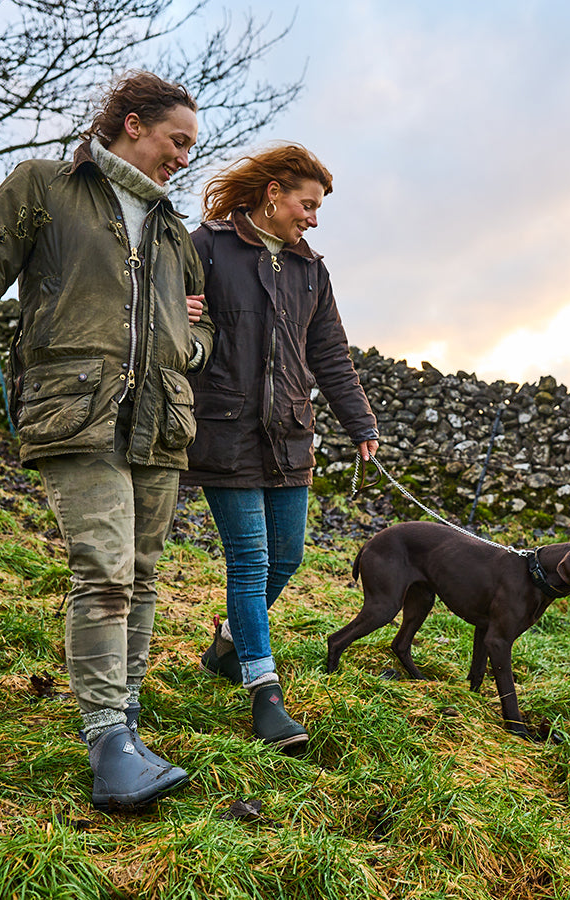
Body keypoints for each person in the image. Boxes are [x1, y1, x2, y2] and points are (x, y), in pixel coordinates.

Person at [0, 70, 213, 811]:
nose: (183, 158)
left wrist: (190, 343)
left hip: (161, 417)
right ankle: (108, 738)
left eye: (190, 148)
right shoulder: (43, 185)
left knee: (141, 573)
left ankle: (130, 725)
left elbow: (198, 322)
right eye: (177, 141)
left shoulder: (172, 229)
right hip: (75, 409)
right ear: (133, 123)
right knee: (104, 566)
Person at [182, 144, 379, 751]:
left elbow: (330, 356)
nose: (313, 218)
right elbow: (158, 315)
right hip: (224, 430)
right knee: (249, 560)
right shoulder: (206, 246)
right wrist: (178, 311)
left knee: (287, 557)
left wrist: (360, 422)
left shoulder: (311, 271)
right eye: (307, 204)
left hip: (291, 434)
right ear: (273, 193)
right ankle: (264, 692)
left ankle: (228, 640)